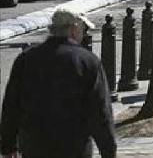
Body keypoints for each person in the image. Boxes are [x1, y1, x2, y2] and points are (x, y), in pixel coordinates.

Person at [0, 9, 116, 158]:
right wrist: (108, 150)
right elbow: (100, 111)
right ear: (74, 29)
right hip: (74, 147)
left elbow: (11, 106)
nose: (84, 34)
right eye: (83, 29)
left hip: (34, 146)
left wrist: (8, 146)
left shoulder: (26, 59)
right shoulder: (87, 61)